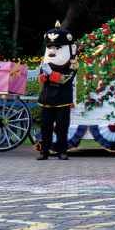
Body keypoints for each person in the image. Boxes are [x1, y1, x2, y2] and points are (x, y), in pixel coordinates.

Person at [36, 22, 78, 161]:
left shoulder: (72, 63)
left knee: (62, 127)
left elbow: (65, 79)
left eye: (57, 47)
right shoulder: (46, 61)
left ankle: (62, 151)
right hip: (47, 97)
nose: (53, 51)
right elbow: (41, 79)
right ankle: (44, 151)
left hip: (63, 98)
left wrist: (51, 74)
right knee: (45, 126)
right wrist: (44, 75)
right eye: (50, 48)